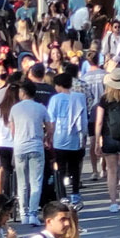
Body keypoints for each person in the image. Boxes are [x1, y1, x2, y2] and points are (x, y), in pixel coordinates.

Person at [10, 81, 53, 225]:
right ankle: (34, 213)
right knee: (36, 181)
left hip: (20, 147)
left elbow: (12, 130)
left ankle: (24, 213)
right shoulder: (40, 108)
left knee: (22, 182)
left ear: (23, 92)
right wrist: (47, 138)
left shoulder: (15, 109)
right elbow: (49, 126)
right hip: (36, 146)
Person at [95, 67, 120, 214]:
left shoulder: (104, 99)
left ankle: (113, 202)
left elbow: (99, 121)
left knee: (111, 170)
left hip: (109, 137)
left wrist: (98, 140)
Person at [47, 73, 87, 208]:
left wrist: (49, 137)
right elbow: (83, 120)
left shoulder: (55, 99)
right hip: (76, 137)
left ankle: (63, 195)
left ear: (58, 85)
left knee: (60, 168)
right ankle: (75, 194)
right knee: (75, 167)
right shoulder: (80, 97)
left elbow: (51, 120)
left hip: (59, 137)